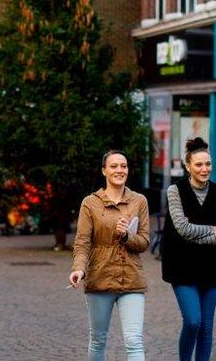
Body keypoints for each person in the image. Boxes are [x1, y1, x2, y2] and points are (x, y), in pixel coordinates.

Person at [69, 151, 150, 361]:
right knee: (98, 339)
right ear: (104, 170)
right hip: (100, 277)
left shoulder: (139, 201)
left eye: (123, 166)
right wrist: (79, 269)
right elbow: (82, 242)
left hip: (131, 278)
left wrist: (126, 236)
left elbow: (143, 243)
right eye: (114, 166)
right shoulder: (90, 203)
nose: (119, 170)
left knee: (134, 341)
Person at [161, 137, 216, 361]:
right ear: (188, 166)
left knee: (207, 327)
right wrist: (211, 230)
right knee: (193, 321)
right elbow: (181, 228)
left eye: (208, 164)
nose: (204, 169)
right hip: (181, 266)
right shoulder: (175, 191)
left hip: (210, 267)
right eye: (199, 164)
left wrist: (198, 235)